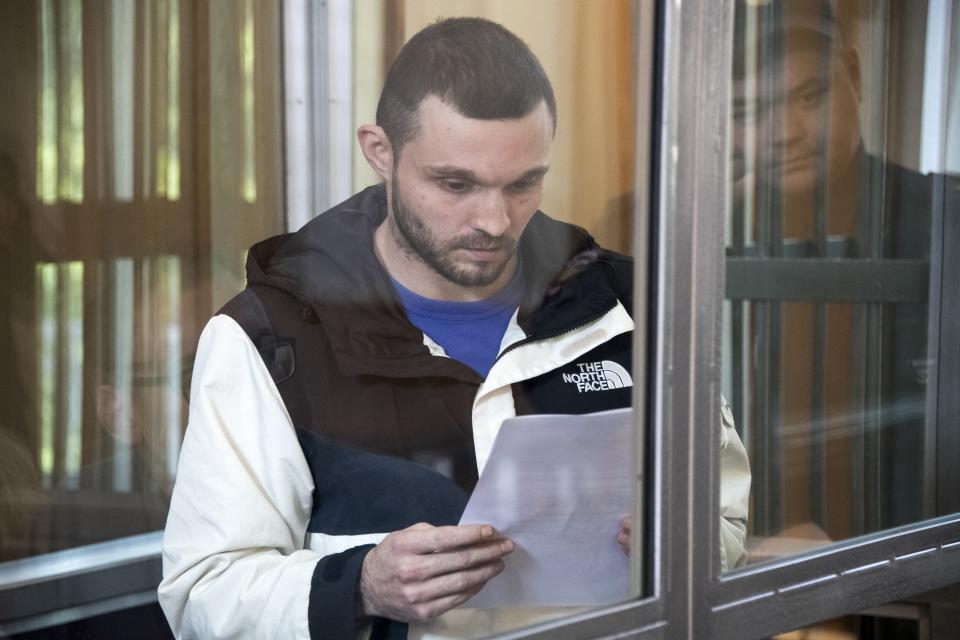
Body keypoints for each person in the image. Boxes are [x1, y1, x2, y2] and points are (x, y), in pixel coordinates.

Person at [159, 17, 751, 639]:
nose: (494, 221)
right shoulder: (266, 336)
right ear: (380, 151)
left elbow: (723, 519)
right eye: (455, 184)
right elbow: (204, 594)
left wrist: (688, 543)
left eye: (524, 183)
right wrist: (360, 585)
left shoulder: (636, 303)